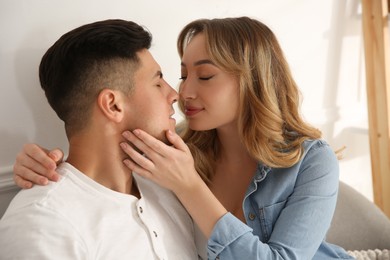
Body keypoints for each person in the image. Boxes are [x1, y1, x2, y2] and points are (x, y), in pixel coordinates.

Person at [12, 17, 354, 259]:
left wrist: (190, 186)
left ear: (253, 81)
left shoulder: (309, 159)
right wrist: (38, 162)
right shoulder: (172, 152)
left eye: (204, 75)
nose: (181, 92)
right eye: (178, 75)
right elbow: (91, 158)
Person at [1, 19, 198, 259]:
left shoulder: (167, 182)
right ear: (113, 105)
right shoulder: (42, 225)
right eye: (158, 82)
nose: (174, 94)